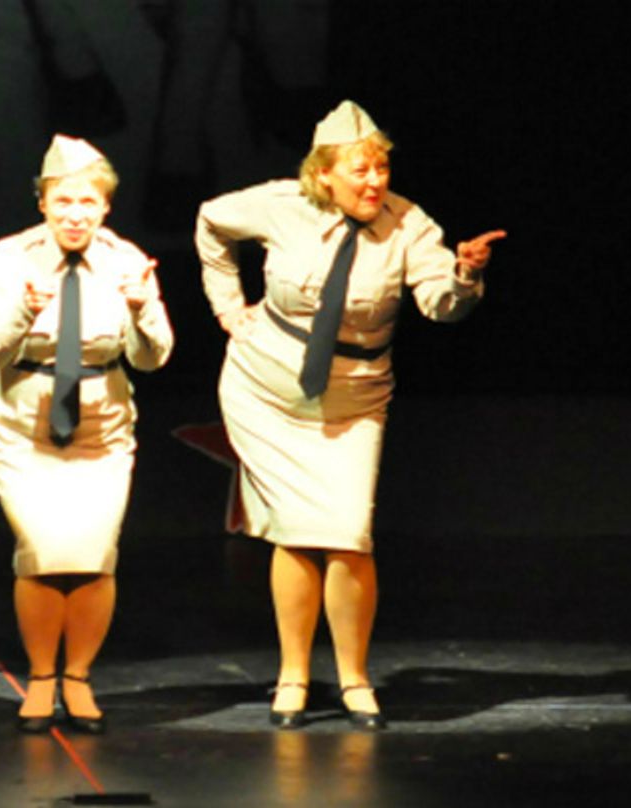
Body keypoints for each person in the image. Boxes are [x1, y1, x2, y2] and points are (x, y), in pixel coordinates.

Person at [195, 100, 505, 730]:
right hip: (267, 388)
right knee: (296, 531)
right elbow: (210, 223)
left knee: (348, 532)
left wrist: (465, 276)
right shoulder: (282, 204)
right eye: (360, 170)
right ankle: (292, 677)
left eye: (381, 169)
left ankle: (355, 678)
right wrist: (229, 308)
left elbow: (439, 306)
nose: (374, 182)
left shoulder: (409, 225)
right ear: (324, 173)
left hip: (354, 395)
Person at [0, 135, 173, 733]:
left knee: (92, 552)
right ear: (43, 203)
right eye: (63, 201)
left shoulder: (127, 260)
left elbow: (153, 358)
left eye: (87, 202)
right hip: (20, 425)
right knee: (41, 549)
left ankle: (78, 677)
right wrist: (23, 314)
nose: (75, 214)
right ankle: (40, 677)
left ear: (105, 206)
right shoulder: (8, 258)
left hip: (101, 430)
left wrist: (143, 309)